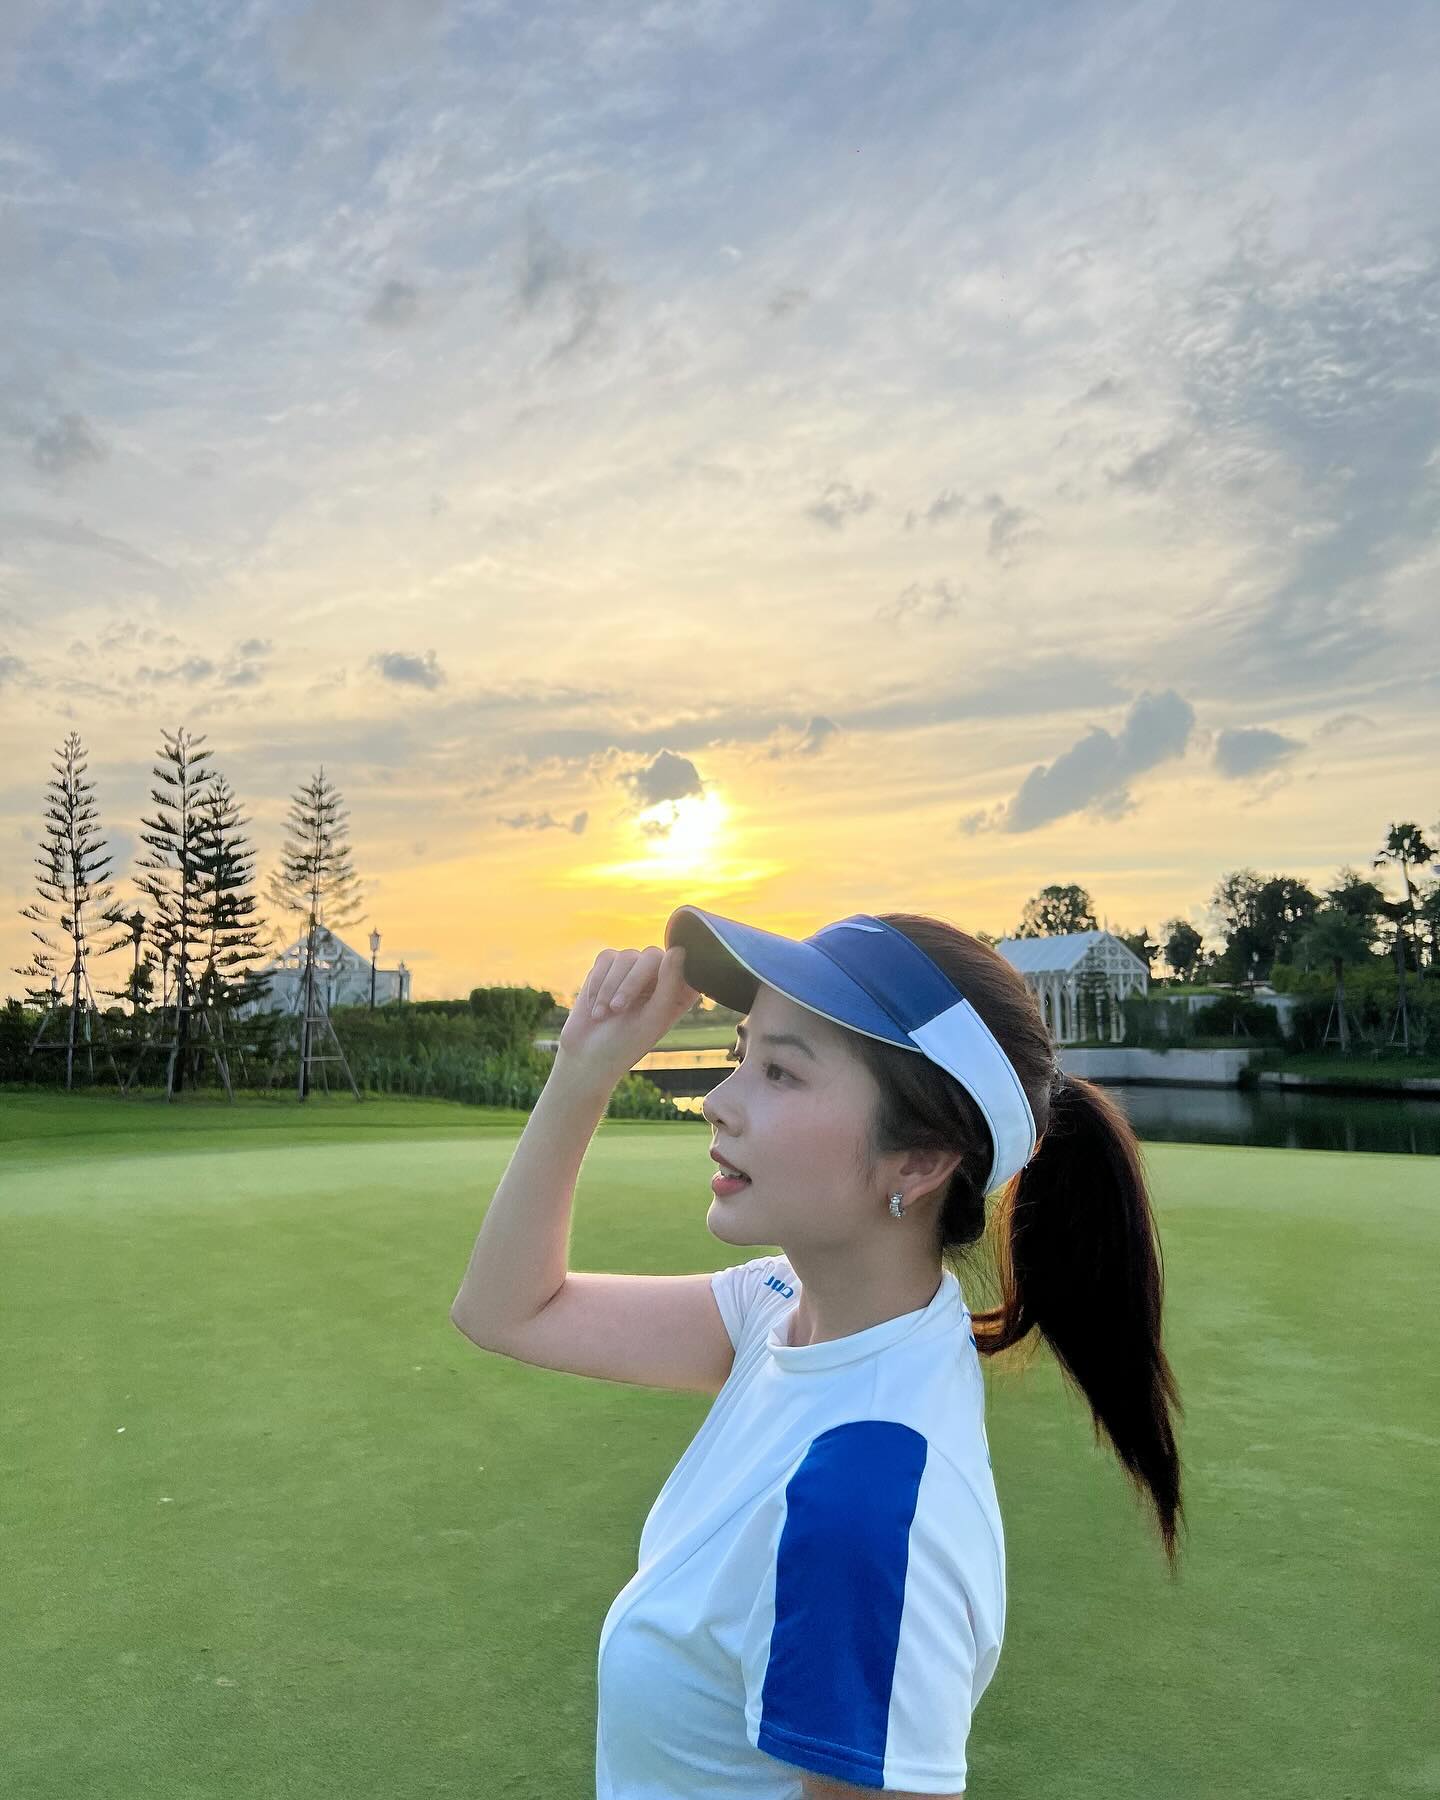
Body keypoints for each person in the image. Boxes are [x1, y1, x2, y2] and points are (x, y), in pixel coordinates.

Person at [450, 907, 1186, 1798]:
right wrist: (584, 1068)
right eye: (741, 1053)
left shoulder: (859, 1505)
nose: (719, 1100)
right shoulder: (783, 1308)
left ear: (919, 1161)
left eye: (781, 1071)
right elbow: (509, 1310)